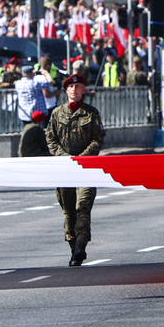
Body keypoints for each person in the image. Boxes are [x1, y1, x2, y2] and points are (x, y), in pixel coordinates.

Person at [45, 74, 106, 267]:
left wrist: (83, 158)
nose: (74, 90)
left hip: (86, 169)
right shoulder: (57, 113)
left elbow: (98, 138)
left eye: (78, 86)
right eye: (71, 87)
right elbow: (50, 138)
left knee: (83, 207)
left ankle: (81, 245)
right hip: (64, 169)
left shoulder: (91, 113)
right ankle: (73, 246)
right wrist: (64, 157)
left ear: (83, 90)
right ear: (66, 90)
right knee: (69, 211)